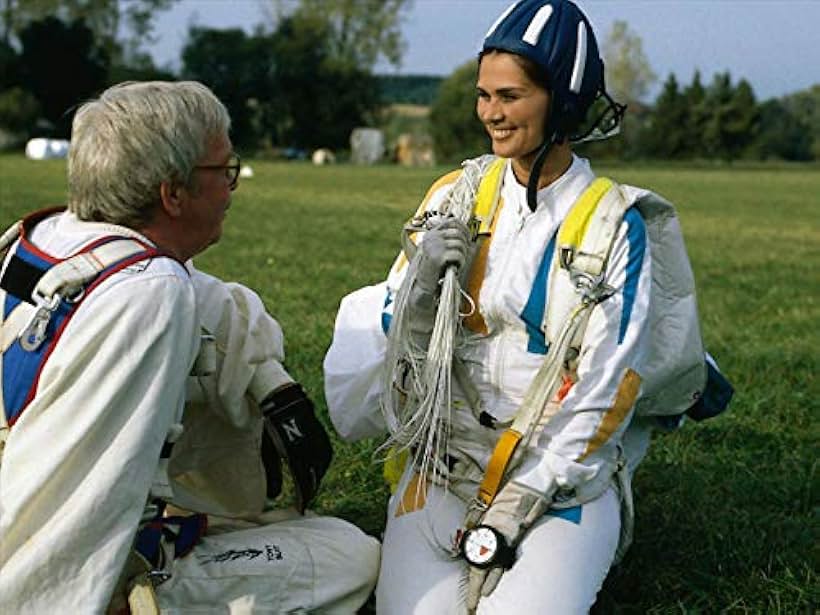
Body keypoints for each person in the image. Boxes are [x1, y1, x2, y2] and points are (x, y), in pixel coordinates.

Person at [323, 1, 714, 613]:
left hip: (560, 486)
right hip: (443, 468)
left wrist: (525, 495)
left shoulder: (617, 223)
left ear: (562, 100)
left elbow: (608, 387)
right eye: (483, 95)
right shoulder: (454, 194)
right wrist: (420, 287)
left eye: (509, 96)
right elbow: (400, 350)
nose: (490, 113)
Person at [0, 81, 379, 613]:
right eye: (223, 172)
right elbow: (71, 500)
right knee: (347, 557)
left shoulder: (46, 237)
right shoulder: (148, 290)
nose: (231, 187)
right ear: (172, 194)